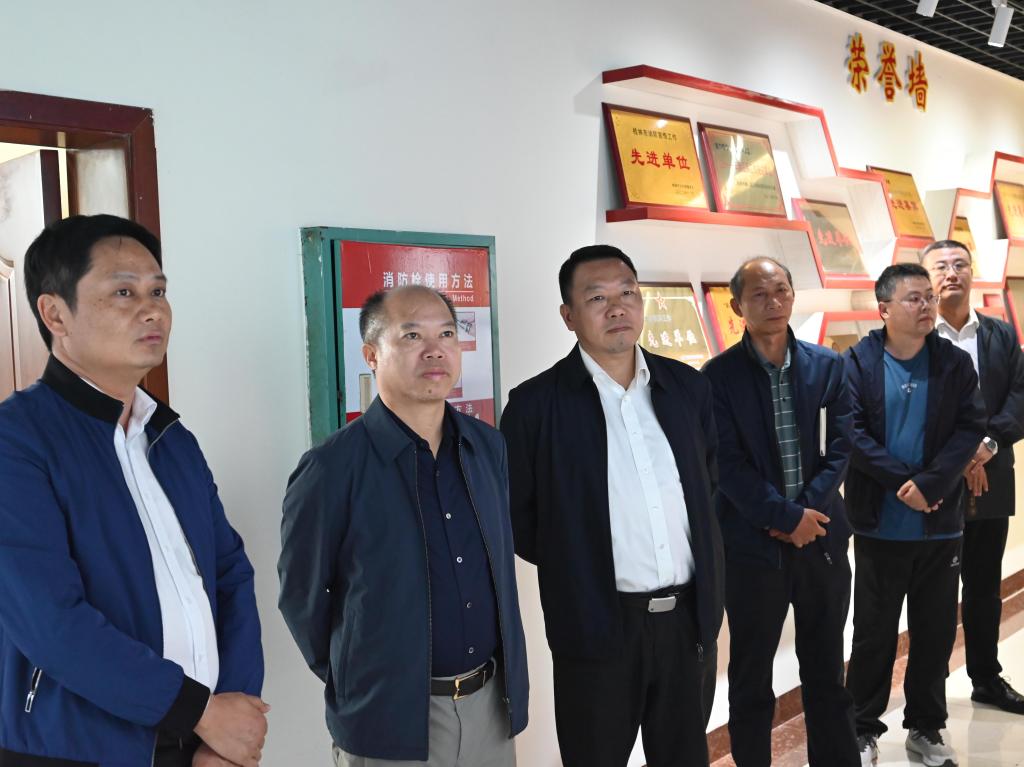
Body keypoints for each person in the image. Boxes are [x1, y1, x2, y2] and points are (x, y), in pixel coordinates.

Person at [0, 215, 267, 767]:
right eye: (124, 292)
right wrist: (200, 712)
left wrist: (228, 728)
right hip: (73, 749)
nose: (152, 311)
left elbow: (230, 575)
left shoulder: (171, 439)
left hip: (197, 744)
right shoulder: (17, 440)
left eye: (158, 292)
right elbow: (51, 621)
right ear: (55, 314)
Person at [279, 284, 529, 766]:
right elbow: (302, 598)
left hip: (490, 706)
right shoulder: (332, 467)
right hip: (390, 718)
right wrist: (362, 676)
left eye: (447, 334)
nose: (435, 350)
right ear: (372, 355)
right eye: (412, 335)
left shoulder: (487, 446)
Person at [500, 245, 723, 767]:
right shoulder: (535, 406)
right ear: (569, 316)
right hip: (595, 626)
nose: (617, 307)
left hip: (687, 625)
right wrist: (578, 567)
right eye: (597, 297)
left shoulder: (686, 388)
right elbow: (521, 520)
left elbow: (708, 487)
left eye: (627, 293)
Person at [702, 257, 858, 766]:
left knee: (826, 673)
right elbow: (726, 464)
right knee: (750, 679)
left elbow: (840, 447)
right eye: (759, 295)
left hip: (822, 540)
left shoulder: (827, 366)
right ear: (737, 307)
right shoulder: (717, 377)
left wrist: (805, 514)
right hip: (751, 550)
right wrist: (784, 518)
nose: (773, 302)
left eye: (782, 291)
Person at [843, 263, 986, 767]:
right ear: (884, 308)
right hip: (879, 525)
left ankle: (926, 728)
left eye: (928, 296)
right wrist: (903, 483)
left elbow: (970, 425)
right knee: (873, 634)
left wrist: (931, 485)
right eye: (913, 298)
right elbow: (850, 432)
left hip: (939, 525)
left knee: (935, 632)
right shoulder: (857, 362)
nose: (926, 305)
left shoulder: (952, 362)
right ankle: (861, 729)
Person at [923, 239, 1024, 715]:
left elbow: (1019, 395)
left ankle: (986, 678)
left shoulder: (1000, 334)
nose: (952, 273)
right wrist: (960, 459)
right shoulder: (918, 335)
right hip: (937, 484)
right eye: (941, 266)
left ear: (972, 271)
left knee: (984, 586)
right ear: (926, 278)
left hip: (993, 472)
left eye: (960, 264)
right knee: (935, 590)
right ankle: (929, 691)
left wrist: (987, 446)